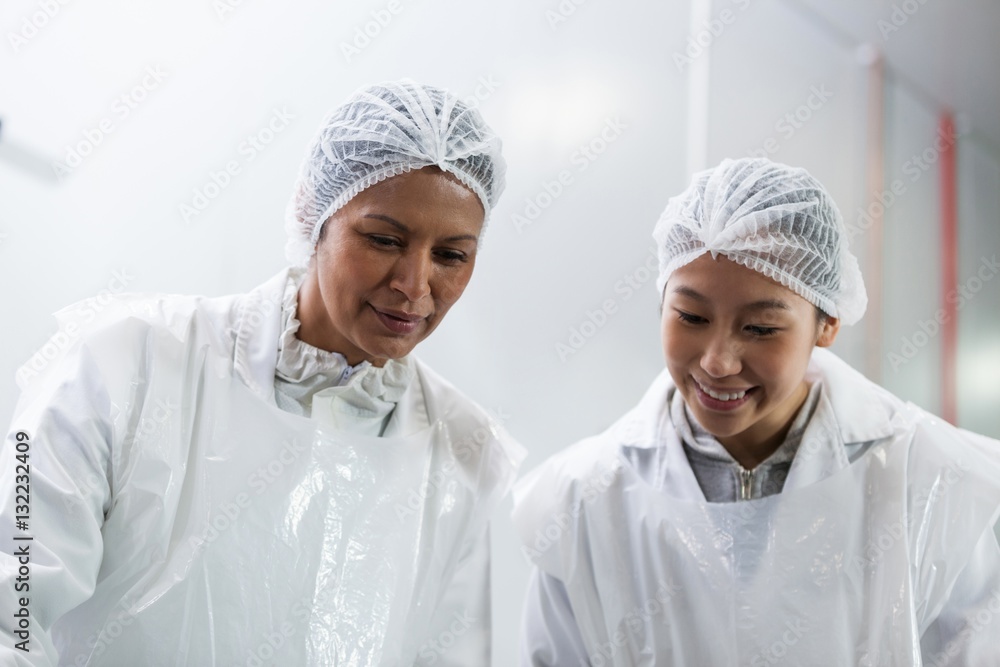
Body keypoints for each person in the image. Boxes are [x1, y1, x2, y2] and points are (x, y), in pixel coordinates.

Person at [0, 80, 524, 666]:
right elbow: (11, 608)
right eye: (383, 239)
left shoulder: (465, 454)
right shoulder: (127, 362)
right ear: (312, 216)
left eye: (451, 255)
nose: (415, 284)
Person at [512, 157, 1000, 665]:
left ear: (827, 323)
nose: (717, 361)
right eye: (692, 317)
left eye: (761, 328)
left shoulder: (929, 482)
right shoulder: (584, 497)